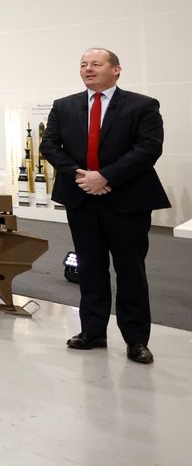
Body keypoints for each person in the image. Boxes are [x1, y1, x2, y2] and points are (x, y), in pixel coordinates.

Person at [40, 48, 168, 365]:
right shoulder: (64, 106)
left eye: (96, 64)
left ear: (116, 70)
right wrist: (80, 176)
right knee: (91, 269)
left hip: (127, 199)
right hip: (82, 197)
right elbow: (49, 146)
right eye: (83, 65)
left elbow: (149, 147)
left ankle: (136, 339)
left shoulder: (142, 105)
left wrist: (106, 177)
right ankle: (93, 332)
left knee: (131, 271)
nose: (88, 69)